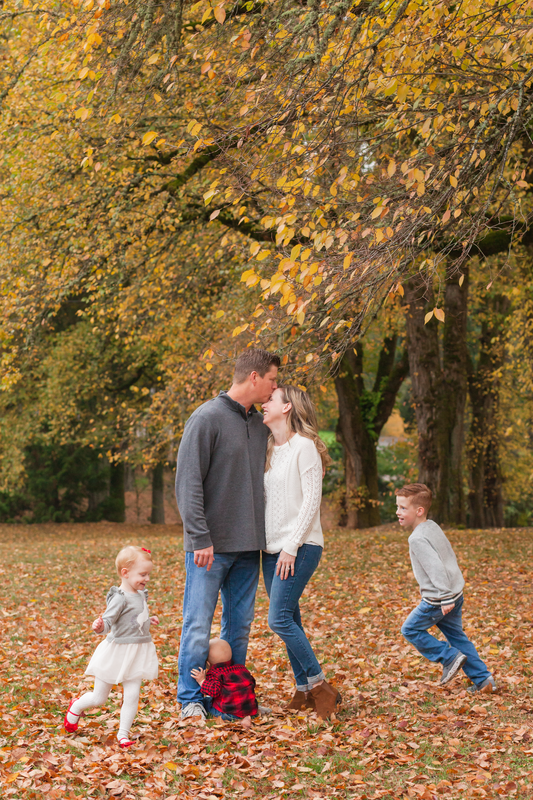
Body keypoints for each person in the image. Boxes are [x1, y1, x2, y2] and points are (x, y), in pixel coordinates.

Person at [175, 348, 280, 719]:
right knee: (198, 624)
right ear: (254, 378)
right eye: (271, 379)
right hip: (210, 547)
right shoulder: (207, 418)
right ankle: (190, 700)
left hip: (249, 546)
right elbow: (188, 483)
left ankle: (230, 698)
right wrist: (199, 536)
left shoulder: (258, 423)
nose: (274, 387)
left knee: (239, 628)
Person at [261, 385, 341, 720]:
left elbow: (311, 502)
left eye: (270, 400)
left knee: (277, 618)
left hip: (300, 547)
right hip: (270, 550)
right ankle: (304, 688)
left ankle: (322, 688)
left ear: (287, 407)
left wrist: (291, 547)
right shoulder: (268, 450)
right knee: (289, 617)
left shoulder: (304, 447)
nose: (263, 404)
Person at [397, 483, 496, 693]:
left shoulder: (416, 538)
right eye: (398, 507)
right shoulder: (432, 526)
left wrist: (444, 597)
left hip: (438, 600)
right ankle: (484, 681)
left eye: (403, 508)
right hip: (454, 593)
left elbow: (436, 568)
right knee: (458, 637)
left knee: (410, 629)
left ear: (419, 511)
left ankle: (449, 657)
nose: (398, 512)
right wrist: (450, 595)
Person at [63, 546, 159, 747]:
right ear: (125, 573)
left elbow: (135, 619)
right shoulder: (120, 597)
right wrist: (99, 626)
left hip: (136, 652)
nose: (147, 578)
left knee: (132, 695)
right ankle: (76, 706)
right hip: (117, 652)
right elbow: (108, 622)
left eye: (148, 574)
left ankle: (123, 734)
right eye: (143, 574)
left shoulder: (141, 593)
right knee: (99, 697)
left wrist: (149, 620)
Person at [191, 637, 258, 728]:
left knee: (206, 701)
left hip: (228, 713)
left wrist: (201, 680)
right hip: (250, 709)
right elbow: (252, 682)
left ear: (208, 664)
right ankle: (247, 716)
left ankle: (237, 717)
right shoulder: (241, 668)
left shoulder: (215, 673)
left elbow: (213, 691)